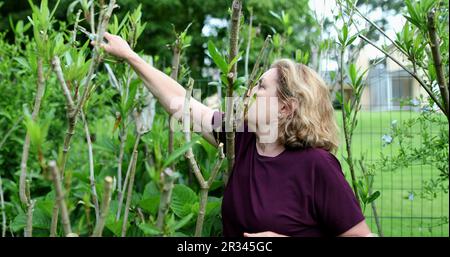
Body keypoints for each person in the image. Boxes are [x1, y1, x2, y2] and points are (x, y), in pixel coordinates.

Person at [91, 32, 373, 237]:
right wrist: (130, 57)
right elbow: (183, 105)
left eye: (260, 87)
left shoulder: (317, 165)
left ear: (286, 108)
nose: (248, 90)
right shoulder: (244, 137)